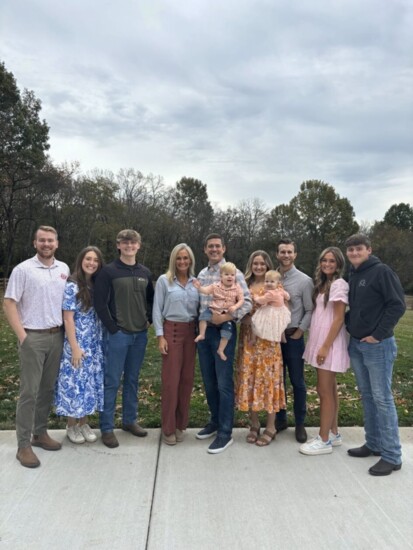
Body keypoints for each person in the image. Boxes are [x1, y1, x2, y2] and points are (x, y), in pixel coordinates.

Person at [3, 225, 69, 468]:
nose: (46, 244)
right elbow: (9, 303)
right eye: (42, 240)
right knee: (29, 392)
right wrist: (23, 337)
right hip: (33, 336)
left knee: (46, 389)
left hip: (56, 336)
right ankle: (23, 445)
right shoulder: (23, 270)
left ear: (57, 243)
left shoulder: (63, 269)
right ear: (34, 243)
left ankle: (39, 433)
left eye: (50, 240)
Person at [345, 234, 406, 476]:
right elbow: (357, 307)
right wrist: (351, 325)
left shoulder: (382, 272)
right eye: (350, 249)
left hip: (377, 345)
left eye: (359, 248)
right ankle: (373, 443)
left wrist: (378, 334)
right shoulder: (354, 274)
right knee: (368, 396)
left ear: (368, 249)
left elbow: (397, 304)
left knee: (382, 398)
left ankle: (392, 455)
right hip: (358, 344)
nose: (354, 252)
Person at [94, 229, 154, 449]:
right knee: (111, 381)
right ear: (118, 245)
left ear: (139, 245)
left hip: (140, 336)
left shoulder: (145, 272)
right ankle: (107, 427)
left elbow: (151, 300)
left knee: (132, 379)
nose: (129, 246)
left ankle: (129, 420)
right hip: (118, 335)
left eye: (133, 242)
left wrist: (148, 319)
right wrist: (113, 328)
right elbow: (99, 303)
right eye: (125, 242)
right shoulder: (108, 272)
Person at [196, 233, 252, 454]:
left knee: (223, 382)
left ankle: (225, 432)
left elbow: (246, 302)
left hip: (224, 333)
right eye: (210, 246)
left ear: (224, 248)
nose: (214, 250)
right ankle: (215, 421)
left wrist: (227, 318)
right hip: (205, 332)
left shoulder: (233, 272)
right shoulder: (202, 273)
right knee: (209, 381)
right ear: (205, 249)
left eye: (217, 246)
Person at [299, 247, 350, 456]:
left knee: (324, 391)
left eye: (332, 261)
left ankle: (324, 440)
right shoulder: (322, 285)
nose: (327, 264)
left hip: (329, 343)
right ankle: (334, 433)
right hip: (320, 341)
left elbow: (338, 318)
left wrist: (325, 346)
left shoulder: (338, 285)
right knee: (331, 389)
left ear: (338, 264)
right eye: (324, 261)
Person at [235, 251, 286, 446]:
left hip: (268, 340)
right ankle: (254, 424)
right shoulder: (244, 285)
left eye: (262, 264)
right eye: (255, 263)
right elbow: (237, 308)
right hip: (249, 339)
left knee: (269, 380)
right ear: (251, 265)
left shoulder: (274, 285)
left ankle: (271, 426)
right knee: (250, 379)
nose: (258, 267)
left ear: (267, 266)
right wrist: (245, 318)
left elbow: (282, 309)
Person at [55, 246, 105, 444]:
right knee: (75, 383)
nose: (91, 263)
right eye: (88, 259)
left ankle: (84, 422)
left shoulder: (96, 285)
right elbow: (68, 319)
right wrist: (75, 347)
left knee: (89, 383)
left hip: (93, 342)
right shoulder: (72, 285)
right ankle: (71, 425)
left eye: (95, 260)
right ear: (81, 261)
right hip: (76, 342)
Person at [153, 244, 199, 446]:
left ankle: (181, 424)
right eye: (179, 258)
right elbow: (156, 310)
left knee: (186, 380)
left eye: (186, 258)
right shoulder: (165, 281)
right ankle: (168, 427)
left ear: (190, 260)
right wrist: (159, 336)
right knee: (171, 381)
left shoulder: (196, 283)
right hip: (171, 331)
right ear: (174, 260)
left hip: (191, 332)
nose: (182, 262)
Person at [275, 238, 313, 443]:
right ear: (277, 254)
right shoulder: (270, 277)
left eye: (289, 252)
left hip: (293, 337)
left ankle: (300, 422)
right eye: (282, 252)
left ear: (295, 254)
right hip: (273, 338)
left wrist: (300, 331)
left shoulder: (304, 281)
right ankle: (281, 418)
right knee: (277, 380)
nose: (286, 255)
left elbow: (309, 309)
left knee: (297, 381)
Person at [194, 261, 244, 360]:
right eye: (226, 274)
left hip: (226, 315)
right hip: (213, 309)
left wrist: (235, 307)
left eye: (232, 275)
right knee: (203, 317)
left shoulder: (237, 287)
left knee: (227, 332)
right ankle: (202, 334)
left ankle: (221, 350)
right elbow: (206, 291)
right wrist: (199, 287)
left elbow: (242, 300)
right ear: (221, 276)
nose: (229, 277)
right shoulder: (215, 286)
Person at [251, 269, 291, 343]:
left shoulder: (270, 294)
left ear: (278, 283)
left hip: (272, 311)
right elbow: (288, 296)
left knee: (256, 321)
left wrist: (255, 297)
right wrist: (285, 297)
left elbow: (262, 300)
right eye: (266, 281)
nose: (269, 283)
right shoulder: (280, 290)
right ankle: (282, 337)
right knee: (280, 324)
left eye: (272, 282)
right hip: (281, 310)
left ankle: (254, 338)